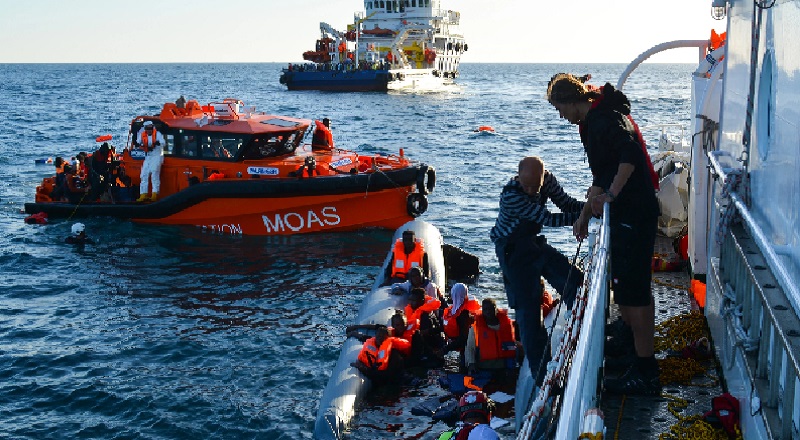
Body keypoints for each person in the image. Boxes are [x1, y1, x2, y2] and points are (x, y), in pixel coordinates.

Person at [547, 73, 661, 395]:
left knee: (635, 292)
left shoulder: (603, 119)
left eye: (560, 109)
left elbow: (631, 155)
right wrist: (584, 215)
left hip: (634, 213)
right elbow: (601, 173)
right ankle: (631, 348)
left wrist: (610, 195)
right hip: (625, 215)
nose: (561, 116)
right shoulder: (591, 123)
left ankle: (646, 370)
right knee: (625, 288)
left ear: (571, 101)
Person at [489, 156, 584, 385]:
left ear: (543, 177)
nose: (532, 191)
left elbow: (565, 203)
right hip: (512, 251)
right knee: (530, 313)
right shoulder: (511, 196)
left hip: (531, 241)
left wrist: (590, 207)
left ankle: (580, 329)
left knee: (574, 279)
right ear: (518, 176)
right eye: (527, 186)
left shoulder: (547, 181)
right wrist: (583, 218)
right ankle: (543, 378)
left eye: (536, 186)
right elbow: (548, 219)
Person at [465, 298, 519, 375]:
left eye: (490, 309)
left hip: (503, 367)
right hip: (483, 367)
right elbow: (470, 348)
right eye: (485, 309)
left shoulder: (507, 325)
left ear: (496, 309)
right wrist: (471, 363)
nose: (488, 312)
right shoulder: (475, 328)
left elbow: (513, 344)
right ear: (482, 310)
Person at [404, 287, 445, 364]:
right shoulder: (414, 311)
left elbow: (428, 335)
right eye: (410, 300)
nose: (411, 303)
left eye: (413, 300)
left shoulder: (425, 316)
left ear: (421, 301)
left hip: (430, 346)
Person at [442, 283, 481, 358]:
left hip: (467, 348)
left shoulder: (463, 314)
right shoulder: (452, 310)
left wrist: (446, 349)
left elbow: (463, 338)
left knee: (464, 364)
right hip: (458, 344)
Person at [136, 122, 165, 202]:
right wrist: (143, 146)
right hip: (148, 156)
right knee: (143, 175)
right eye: (147, 129)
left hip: (157, 155)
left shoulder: (157, 134)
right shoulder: (142, 135)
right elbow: (138, 142)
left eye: (150, 128)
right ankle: (143, 194)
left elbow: (163, 142)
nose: (149, 130)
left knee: (154, 174)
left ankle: (154, 194)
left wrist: (157, 143)